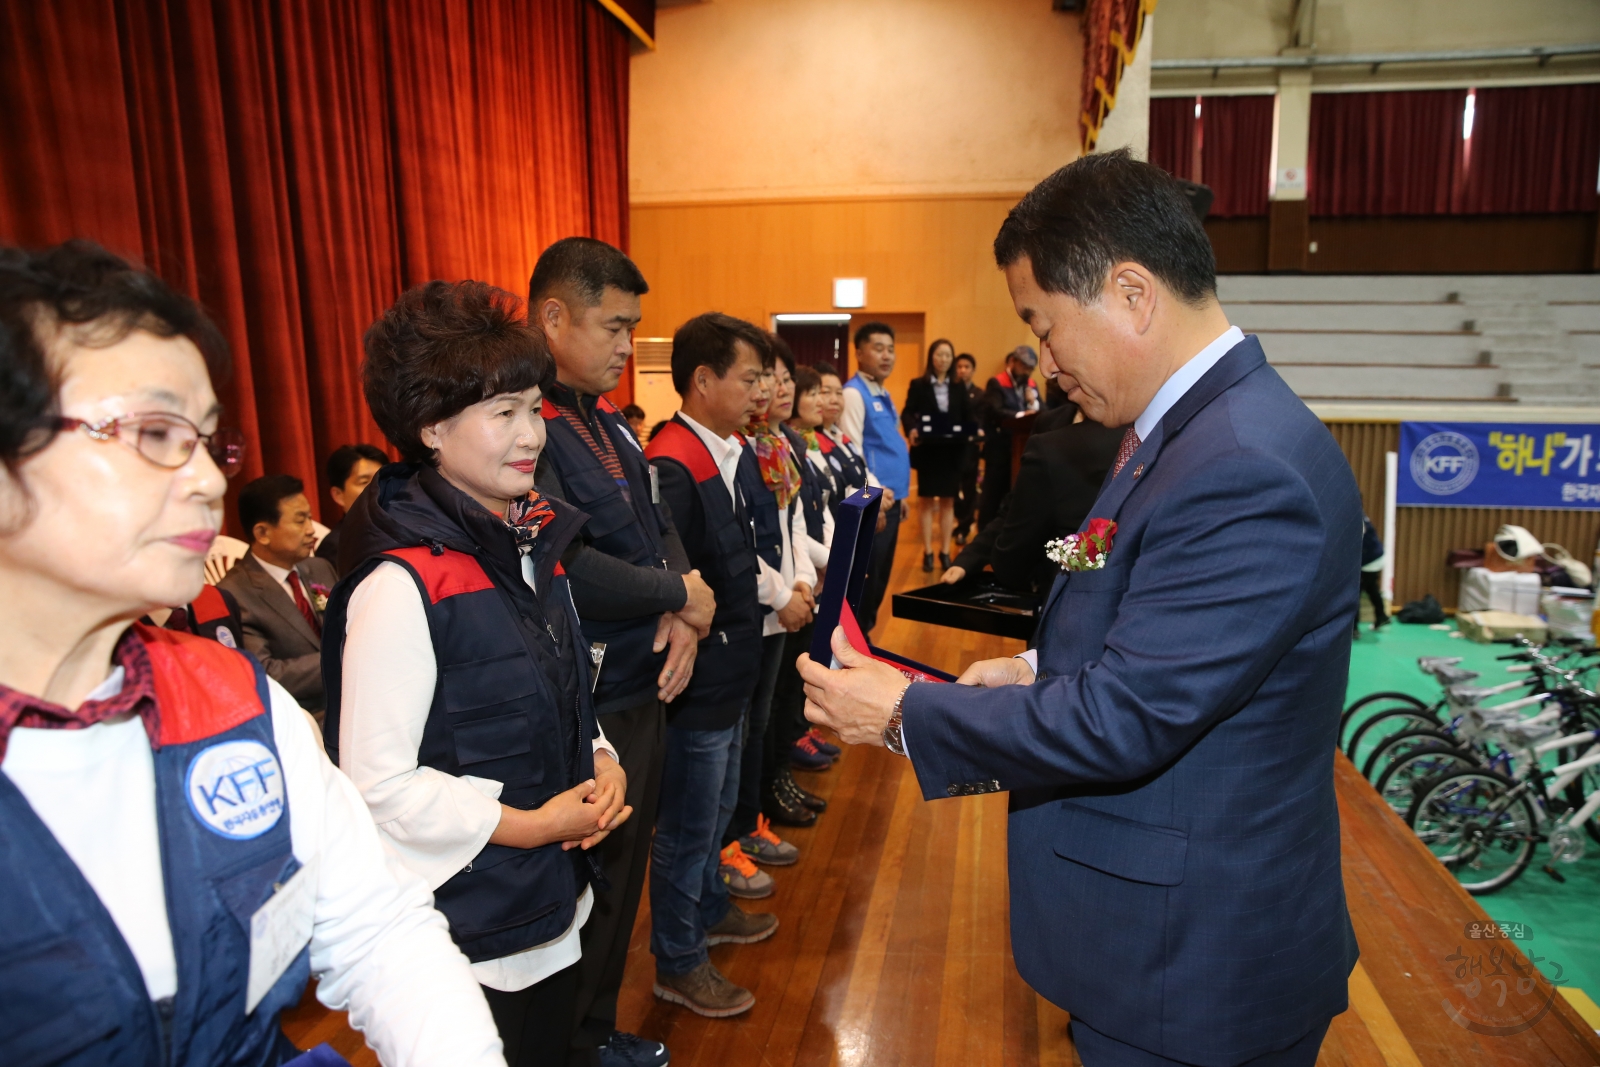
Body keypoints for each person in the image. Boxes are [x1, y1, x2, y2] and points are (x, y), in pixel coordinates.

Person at [799, 151, 1362, 1067]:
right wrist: (1029, 666)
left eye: (1047, 327)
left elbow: (1129, 715)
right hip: (1159, 939)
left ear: (1133, 293)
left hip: (1195, 963)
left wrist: (902, 713)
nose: (1046, 363)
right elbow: (1124, 593)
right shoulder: (1177, 431)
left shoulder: (1243, 466)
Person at [0, 239, 504, 1066]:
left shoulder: (232, 699)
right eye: (154, 431)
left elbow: (376, 927)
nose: (204, 479)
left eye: (205, 440)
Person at [320, 280, 629, 1067]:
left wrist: (601, 756)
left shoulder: (530, 540)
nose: (532, 435)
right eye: (504, 414)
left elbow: (562, 686)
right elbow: (376, 782)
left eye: (535, 408)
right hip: (469, 924)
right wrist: (533, 826)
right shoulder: (402, 583)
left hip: (552, 894)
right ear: (430, 428)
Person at [528, 236, 711, 1067]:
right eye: (612, 326)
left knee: (623, 878)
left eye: (633, 328)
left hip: (644, 678)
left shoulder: (604, 423)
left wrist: (687, 603)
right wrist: (679, 596)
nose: (624, 346)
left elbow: (654, 520)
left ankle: (597, 1032)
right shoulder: (529, 422)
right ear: (553, 316)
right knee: (589, 891)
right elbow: (566, 564)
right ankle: (572, 1044)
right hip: (592, 700)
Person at [643, 313, 780, 1019]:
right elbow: (680, 579)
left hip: (729, 670)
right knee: (690, 825)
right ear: (703, 381)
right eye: (749, 376)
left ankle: (711, 907)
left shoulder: (718, 450)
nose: (761, 389)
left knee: (719, 809)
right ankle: (678, 957)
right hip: (699, 683)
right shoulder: (673, 461)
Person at [728, 338, 818, 858]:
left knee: (769, 717)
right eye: (762, 377)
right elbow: (738, 542)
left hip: (786, 600)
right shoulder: (736, 447)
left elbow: (792, 525)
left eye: (779, 377)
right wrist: (784, 590)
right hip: (756, 607)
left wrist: (802, 580)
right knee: (748, 729)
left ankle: (758, 812)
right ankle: (744, 827)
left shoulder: (778, 444)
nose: (771, 388)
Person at [941, 401, 1127, 596]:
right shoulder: (1048, 422)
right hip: (1044, 583)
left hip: (1096, 586)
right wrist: (971, 557)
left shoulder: (1127, 423)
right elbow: (1019, 503)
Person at [218, 473, 339, 716]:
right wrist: (344, 659)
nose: (311, 530)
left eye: (310, 518)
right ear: (263, 533)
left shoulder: (319, 567)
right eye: (300, 521)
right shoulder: (235, 593)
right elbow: (266, 672)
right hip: (303, 716)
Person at [775, 363, 842, 784]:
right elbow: (789, 521)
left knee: (793, 682)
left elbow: (810, 513)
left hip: (807, 575)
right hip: (785, 590)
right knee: (778, 696)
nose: (821, 400)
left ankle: (791, 752)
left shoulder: (801, 442)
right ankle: (777, 776)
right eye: (813, 391)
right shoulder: (780, 443)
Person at [840, 322, 909, 633]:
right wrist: (875, 493)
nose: (886, 355)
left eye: (890, 349)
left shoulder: (881, 390)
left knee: (880, 578)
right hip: (874, 502)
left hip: (892, 498)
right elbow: (852, 452)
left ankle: (864, 638)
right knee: (868, 579)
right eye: (878, 348)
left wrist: (902, 497)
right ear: (858, 353)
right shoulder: (854, 394)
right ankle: (858, 643)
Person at [901, 338, 975, 573]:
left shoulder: (958, 386)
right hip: (928, 451)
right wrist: (912, 428)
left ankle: (944, 551)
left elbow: (967, 416)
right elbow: (908, 412)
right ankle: (928, 552)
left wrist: (972, 429)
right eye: (939, 354)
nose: (943, 359)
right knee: (925, 502)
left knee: (947, 502)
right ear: (931, 357)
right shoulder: (918, 384)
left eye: (947, 355)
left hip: (951, 452)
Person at [977, 344, 1041, 528]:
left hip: (1021, 450)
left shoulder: (1031, 385)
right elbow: (995, 411)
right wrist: (1021, 416)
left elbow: (1044, 412)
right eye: (1024, 366)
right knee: (992, 498)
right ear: (1012, 361)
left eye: (1030, 368)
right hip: (999, 450)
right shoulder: (997, 383)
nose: (1027, 372)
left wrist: (1033, 402)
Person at [316, 442, 387, 573]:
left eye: (382, 479)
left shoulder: (400, 532)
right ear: (338, 495)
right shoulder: (335, 546)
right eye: (364, 482)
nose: (377, 488)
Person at [951, 352, 984, 546]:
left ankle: (964, 525)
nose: (962, 370)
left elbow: (979, 423)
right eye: (959, 366)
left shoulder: (979, 394)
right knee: (953, 490)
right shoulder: (950, 392)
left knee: (970, 489)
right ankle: (959, 522)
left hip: (970, 449)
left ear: (972, 370)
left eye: (966, 367)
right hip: (952, 449)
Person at [1358, 515, 1388, 633]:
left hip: (1370, 560)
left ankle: (1353, 629)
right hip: (1375, 557)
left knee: (1355, 593)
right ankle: (1381, 617)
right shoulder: (1361, 515)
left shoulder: (1357, 517)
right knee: (1371, 588)